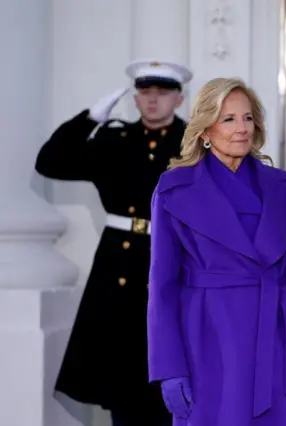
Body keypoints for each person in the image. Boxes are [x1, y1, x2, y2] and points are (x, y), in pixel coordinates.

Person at [147, 77, 286, 426]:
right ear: (205, 129)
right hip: (206, 340)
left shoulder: (282, 188)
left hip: (271, 339)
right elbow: (162, 288)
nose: (242, 128)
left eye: (248, 118)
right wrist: (169, 367)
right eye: (228, 119)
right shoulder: (175, 189)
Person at [35, 59, 193, 426]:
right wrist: (90, 119)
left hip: (174, 262)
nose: (153, 100)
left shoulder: (194, 144)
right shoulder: (115, 140)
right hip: (117, 268)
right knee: (121, 380)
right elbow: (50, 162)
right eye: (145, 92)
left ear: (179, 98)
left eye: (162, 92)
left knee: (174, 373)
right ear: (135, 99)